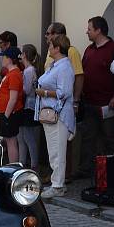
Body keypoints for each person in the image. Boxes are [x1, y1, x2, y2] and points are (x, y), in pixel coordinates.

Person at [76, 16, 114, 179]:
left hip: (107, 104)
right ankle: (85, 170)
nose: (87, 32)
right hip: (89, 102)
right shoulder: (89, 50)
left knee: (110, 138)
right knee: (88, 138)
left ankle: (112, 171)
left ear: (98, 30)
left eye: (89, 29)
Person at [35, 34, 76, 198]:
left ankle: (58, 186)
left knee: (58, 152)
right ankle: (56, 183)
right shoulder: (55, 65)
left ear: (58, 48)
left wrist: (44, 92)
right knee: (53, 151)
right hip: (50, 113)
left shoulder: (64, 67)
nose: (48, 48)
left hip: (59, 115)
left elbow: (64, 92)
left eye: (51, 45)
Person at [44, 22, 84, 115]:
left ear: (56, 34)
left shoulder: (71, 51)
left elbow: (79, 77)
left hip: (65, 103)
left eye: (47, 33)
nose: (45, 36)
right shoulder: (51, 51)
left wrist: (76, 101)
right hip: (51, 103)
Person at [0, 46, 24, 163]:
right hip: (6, 112)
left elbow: (13, 98)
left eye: (4, 57)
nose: (2, 59)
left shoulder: (14, 74)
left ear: (10, 59)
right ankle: (12, 165)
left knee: (11, 141)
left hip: (10, 113)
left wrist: (6, 116)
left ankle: (14, 167)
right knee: (9, 140)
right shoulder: (11, 73)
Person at [18, 44, 42, 170]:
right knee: (23, 136)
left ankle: (34, 165)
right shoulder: (30, 70)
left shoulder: (29, 71)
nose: (20, 56)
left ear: (25, 55)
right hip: (28, 106)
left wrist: (16, 86)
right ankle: (23, 162)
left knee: (28, 137)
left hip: (28, 106)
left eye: (21, 53)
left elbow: (26, 90)